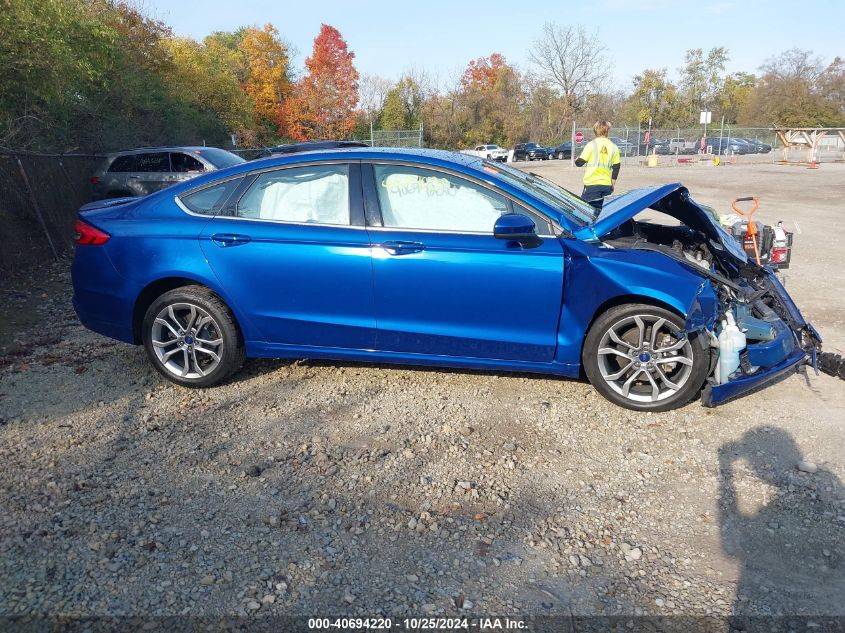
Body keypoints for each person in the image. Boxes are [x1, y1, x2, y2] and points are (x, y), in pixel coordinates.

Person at [574, 121, 621, 209]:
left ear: (595, 131)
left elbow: (579, 163)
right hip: (607, 185)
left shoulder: (591, 145)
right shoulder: (614, 147)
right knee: (602, 212)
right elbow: (616, 166)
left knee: (586, 211)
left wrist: (576, 159)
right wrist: (612, 182)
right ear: (607, 131)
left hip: (592, 185)